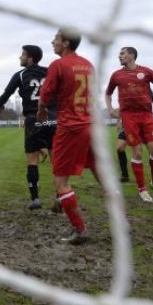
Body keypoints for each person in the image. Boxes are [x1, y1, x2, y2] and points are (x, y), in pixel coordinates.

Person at [36, 28, 95, 245]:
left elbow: (46, 95)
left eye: (56, 38)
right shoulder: (88, 64)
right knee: (101, 174)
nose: (52, 41)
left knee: (60, 181)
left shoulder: (58, 65)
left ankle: (80, 229)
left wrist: (41, 110)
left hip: (70, 127)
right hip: (90, 125)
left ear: (66, 43)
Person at [105, 47, 153, 203]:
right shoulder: (116, 75)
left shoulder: (146, 72)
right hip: (129, 117)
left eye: (122, 53)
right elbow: (108, 93)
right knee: (137, 153)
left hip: (147, 116)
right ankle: (142, 189)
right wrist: (109, 109)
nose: (119, 56)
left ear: (131, 56)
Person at [0, 44, 56, 210]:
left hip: (33, 119)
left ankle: (35, 199)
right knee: (56, 161)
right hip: (52, 120)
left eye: (22, 55)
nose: (20, 57)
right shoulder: (50, 71)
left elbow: (7, 93)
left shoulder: (20, 75)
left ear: (30, 58)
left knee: (32, 161)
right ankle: (61, 196)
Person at [116, 90, 153, 184]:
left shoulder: (144, 87)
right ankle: (125, 175)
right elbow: (123, 107)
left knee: (152, 150)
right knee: (120, 148)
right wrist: (120, 120)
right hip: (128, 124)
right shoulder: (124, 88)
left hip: (144, 123)